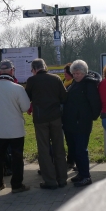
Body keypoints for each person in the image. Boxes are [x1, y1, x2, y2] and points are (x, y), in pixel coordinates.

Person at [0, 60, 31, 193]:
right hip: (15, 129)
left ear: (0, 71)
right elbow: (26, 107)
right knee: (17, 157)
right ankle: (17, 185)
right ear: (12, 71)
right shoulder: (17, 88)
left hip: (0, 129)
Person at [25, 58, 68, 189]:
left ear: (34, 69)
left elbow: (27, 98)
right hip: (55, 117)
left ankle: (50, 180)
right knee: (59, 148)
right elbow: (64, 97)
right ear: (45, 67)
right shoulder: (56, 78)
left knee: (44, 149)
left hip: (40, 119)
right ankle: (62, 179)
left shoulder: (32, 80)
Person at [62, 60, 101, 187]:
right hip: (72, 122)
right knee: (74, 150)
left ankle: (86, 176)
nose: (76, 75)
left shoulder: (88, 84)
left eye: (78, 73)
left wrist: (90, 117)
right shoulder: (74, 83)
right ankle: (80, 173)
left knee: (81, 150)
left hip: (82, 123)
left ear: (84, 72)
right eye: (74, 73)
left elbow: (95, 103)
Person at [62, 63, 75, 170]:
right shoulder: (62, 83)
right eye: (64, 72)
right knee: (66, 140)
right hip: (62, 116)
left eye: (67, 72)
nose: (65, 74)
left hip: (71, 116)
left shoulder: (75, 83)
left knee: (72, 141)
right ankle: (68, 161)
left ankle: (72, 161)